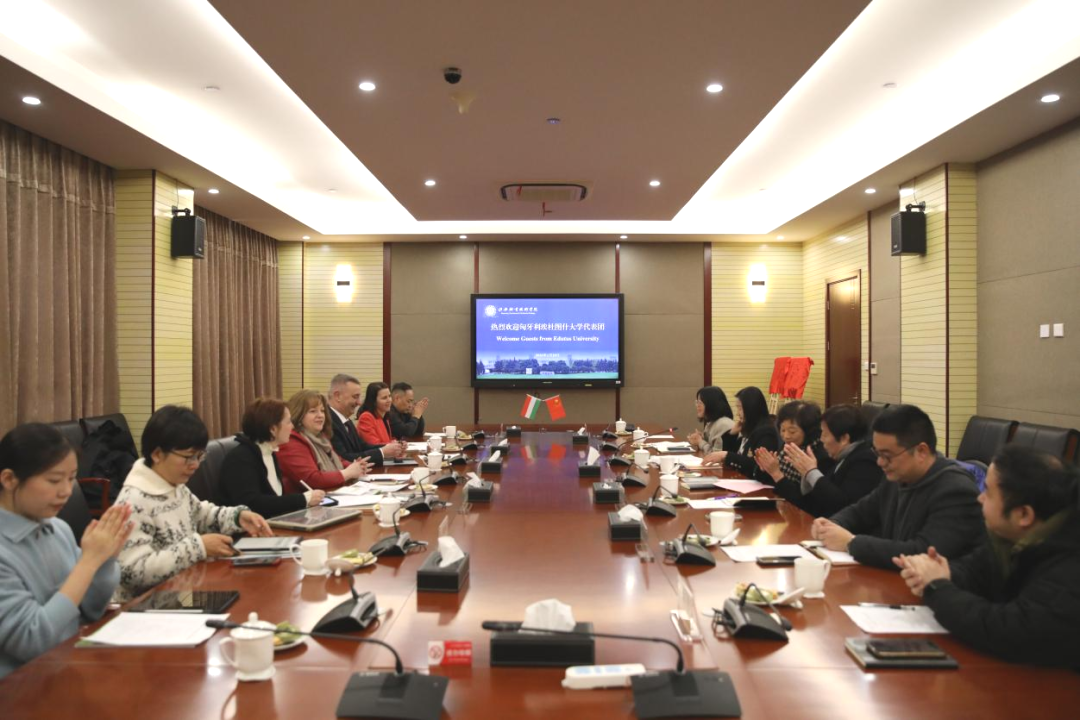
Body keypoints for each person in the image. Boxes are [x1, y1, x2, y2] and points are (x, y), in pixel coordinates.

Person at [894, 447, 1080, 670]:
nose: (979, 497)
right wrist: (942, 572)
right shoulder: (1012, 537)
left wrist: (937, 586)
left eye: (988, 492)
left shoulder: (1070, 563)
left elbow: (1010, 631)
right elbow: (976, 571)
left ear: (1024, 514)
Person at [0, 424, 133, 679]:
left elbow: (90, 610)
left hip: (68, 667)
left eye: (71, 479)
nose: (66, 491)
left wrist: (105, 560)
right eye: (53, 480)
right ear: (9, 479)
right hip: (20, 688)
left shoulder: (58, 529)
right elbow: (32, 641)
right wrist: (88, 562)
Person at [114, 406, 274, 602]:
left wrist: (237, 517)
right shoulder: (133, 502)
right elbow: (133, 573)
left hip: (181, 595)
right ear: (157, 454)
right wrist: (199, 547)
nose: (196, 465)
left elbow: (201, 515)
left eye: (199, 456)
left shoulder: (174, 485)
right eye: (189, 457)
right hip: (145, 609)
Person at [811, 404, 983, 570]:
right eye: (877, 453)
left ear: (921, 451)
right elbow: (860, 512)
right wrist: (831, 525)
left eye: (887, 456)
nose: (880, 462)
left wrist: (851, 543)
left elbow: (923, 553)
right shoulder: (896, 478)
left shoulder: (955, 491)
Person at [762, 403, 881, 517]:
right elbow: (810, 502)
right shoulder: (842, 456)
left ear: (844, 438)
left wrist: (810, 472)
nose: (821, 439)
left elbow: (842, 505)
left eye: (825, 435)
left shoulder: (865, 462)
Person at [218, 398, 326, 518]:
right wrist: (303, 499)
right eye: (288, 422)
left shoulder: (270, 452)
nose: (292, 426)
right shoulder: (241, 459)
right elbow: (252, 505)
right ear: (273, 429)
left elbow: (275, 499)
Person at [277, 390, 370, 493]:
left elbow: (338, 461)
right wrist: (348, 473)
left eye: (322, 411)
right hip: (306, 501)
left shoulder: (321, 438)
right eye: (313, 411)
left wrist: (356, 466)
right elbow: (312, 479)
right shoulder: (291, 441)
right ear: (298, 414)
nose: (320, 415)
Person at [327, 373, 404, 465]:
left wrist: (392, 447)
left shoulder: (346, 421)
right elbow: (344, 458)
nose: (359, 402)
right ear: (337, 396)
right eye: (355, 397)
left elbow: (361, 446)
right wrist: (382, 452)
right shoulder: (327, 422)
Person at [707, 386, 780, 483]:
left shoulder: (766, 432)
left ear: (751, 408)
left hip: (757, 485)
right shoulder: (749, 427)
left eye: (740, 408)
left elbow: (756, 464)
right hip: (741, 480)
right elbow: (733, 453)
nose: (737, 413)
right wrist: (732, 434)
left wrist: (727, 455)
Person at [754, 401, 832, 488]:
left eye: (792, 431)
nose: (786, 436)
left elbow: (802, 495)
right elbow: (772, 483)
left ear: (808, 430)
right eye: (782, 430)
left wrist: (776, 474)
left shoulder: (820, 455)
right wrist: (766, 469)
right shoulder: (790, 445)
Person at [356, 382, 406, 459]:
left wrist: (399, 444)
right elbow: (374, 446)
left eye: (389, 396)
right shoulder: (366, 417)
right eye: (384, 398)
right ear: (374, 401)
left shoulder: (384, 417)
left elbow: (387, 441)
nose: (389, 400)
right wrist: (394, 446)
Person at [687, 386, 737, 454]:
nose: (697, 405)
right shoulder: (712, 422)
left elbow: (716, 456)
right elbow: (710, 445)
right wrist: (701, 438)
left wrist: (700, 441)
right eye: (696, 402)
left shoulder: (723, 424)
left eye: (699, 402)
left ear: (711, 404)